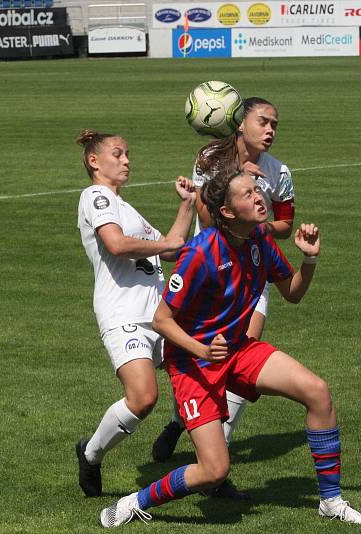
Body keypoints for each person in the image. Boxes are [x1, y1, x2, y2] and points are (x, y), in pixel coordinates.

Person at [99, 169, 361, 527]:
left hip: (236, 349)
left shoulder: (260, 237)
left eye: (257, 190)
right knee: (214, 470)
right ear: (227, 212)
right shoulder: (201, 252)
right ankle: (135, 501)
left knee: (317, 392)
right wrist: (200, 350)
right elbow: (162, 320)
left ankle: (331, 501)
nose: (259, 197)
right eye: (248, 194)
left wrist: (309, 260)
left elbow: (292, 293)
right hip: (192, 363)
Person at [151, 98, 296, 496]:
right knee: (211, 357)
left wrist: (260, 208)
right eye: (263, 122)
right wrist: (235, 184)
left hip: (253, 267)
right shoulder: (211, 157)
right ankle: (187, 424)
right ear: (239, 123)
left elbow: (283, 223)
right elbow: (206, 211)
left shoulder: (278, 171)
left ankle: (215, 462)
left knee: (243, 353)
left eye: (275, 125)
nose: (270, 130)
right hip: (211, 270)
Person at [74, 129, 195, 498]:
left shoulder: (126, 209)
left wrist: (187, 204)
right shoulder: (95, 196)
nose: (127, 160)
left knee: (203, 374)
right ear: (94, 161)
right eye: (118, 153)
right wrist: (166, 244)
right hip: (122, 313)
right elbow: (116, 244)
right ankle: (91, 454)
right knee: (143, 397)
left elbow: (171, 249)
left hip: (159, 315)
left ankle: (211, 471)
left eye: (128, 154)